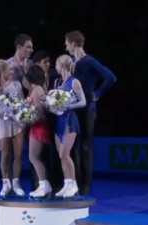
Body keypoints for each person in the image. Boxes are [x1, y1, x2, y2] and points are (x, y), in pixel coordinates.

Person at [64, 30, 117, 195]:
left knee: (85, 146)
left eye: (66, 43)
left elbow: (110, 77)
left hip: (87, 109)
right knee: (74, 147)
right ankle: (75, 183)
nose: (65, 47)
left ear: (73, 43)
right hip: (74, 107)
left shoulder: (89, 60)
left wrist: (97, 94)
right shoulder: (72, 62)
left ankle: (85, 185)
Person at [0, 59, 26, 197]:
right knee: (5, 155)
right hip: (3, 123)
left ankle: (16, 183)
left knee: (18, 155)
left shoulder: (16, 85)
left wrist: (22, 113)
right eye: (9, 69)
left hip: (17, 123)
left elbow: (22, 102)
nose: (12, 72)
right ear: (2, 72)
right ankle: (5, 183)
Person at [51, 54, 86, 198]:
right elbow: (55, 104)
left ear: (61, 65)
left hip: (70, 120)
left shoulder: (74, 82)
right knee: (62, 156)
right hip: (59, 120)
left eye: (56, 64)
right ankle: (67, 184)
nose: (55, 67)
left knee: (64, 154)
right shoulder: (58, 83)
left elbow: (83, 102)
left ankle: (74, 184)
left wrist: (68, 105)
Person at [25, 65, 53, 198]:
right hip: (36, 126)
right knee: (34, 157)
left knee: (34, 157)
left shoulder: (37, 90)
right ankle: (43, 185)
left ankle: (44, 185)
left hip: (39, 126)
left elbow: (40, 112)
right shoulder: (37, 89)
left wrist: (28, 118)